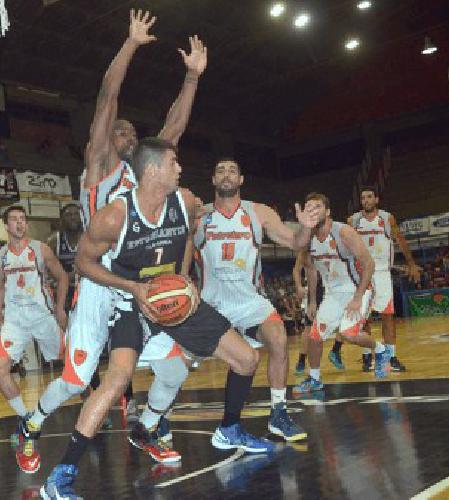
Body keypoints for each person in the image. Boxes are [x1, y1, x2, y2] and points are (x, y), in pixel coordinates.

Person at [33, 10, 209, 483]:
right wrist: (130, 44)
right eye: (121, 132)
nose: (128, 135)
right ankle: (35, 428)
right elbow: (108, 98)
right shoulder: (97, 170)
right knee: (78, 380)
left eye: (133, 134)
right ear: (107, 140)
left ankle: (148, 425)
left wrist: (191, 77)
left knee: (172, 370)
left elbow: (174, 126)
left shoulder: (148, 173)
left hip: (139, 285)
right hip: (99, 282)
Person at [41, 137, 270, 499]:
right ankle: (61, 475)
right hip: (131, 303)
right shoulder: (114, 216)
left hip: (171, 297)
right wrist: (132, 287)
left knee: (247, 359)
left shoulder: (186, 201)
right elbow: (84, 264)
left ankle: (229, 429)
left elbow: (187, 239)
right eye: (174, 162)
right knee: (116, 382)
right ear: (152, 170)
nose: (180, 168)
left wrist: (182, 279)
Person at [190, 158, 321, 441]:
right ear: (213, 180)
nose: (226, 174)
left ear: (241, 180)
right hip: (211, 302)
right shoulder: (198, 215)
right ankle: (156, 419)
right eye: (220, 170)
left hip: (249, 302)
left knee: (278, 338)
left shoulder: (258, 212)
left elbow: (296, 243)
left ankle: (278, 413)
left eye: (232, 170)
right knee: (178, 360)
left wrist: (307, 227)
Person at [0, 205, 69, 473]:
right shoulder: (0, 257)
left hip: (43, 316)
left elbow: (62, 276)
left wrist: (59, 308)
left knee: (72, 364)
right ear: (5, 225)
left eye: (23, 219)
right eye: (14, 219)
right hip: (15, 320)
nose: (19, 223)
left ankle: (92, 408)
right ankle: (26, 418)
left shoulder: (39, 249)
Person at [293, 192, 392, 398]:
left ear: (327, 212)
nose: (312, 210)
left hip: (358, 289)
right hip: (332, 293)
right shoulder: (307, 239)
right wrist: (312, 300)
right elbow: (310, 270)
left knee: (349, 334)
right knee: (315, 336)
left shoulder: (343, 232)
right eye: (308, 207)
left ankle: (381, 350)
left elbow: (369, 264)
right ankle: (315, 378)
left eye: (317, 207)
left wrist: (357, 298)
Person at [340, 186, 421, 373]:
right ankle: (368, 356)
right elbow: (346, 247)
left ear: (376, 200)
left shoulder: (386, 218)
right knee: (363, 318)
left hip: (382, 272)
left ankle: (391, 357)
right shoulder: (353, 221)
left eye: (369, 197)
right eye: (363, 198)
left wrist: (411, 263)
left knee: (387, 316)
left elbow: (400, 240)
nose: (366, 200)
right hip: (362, 274)